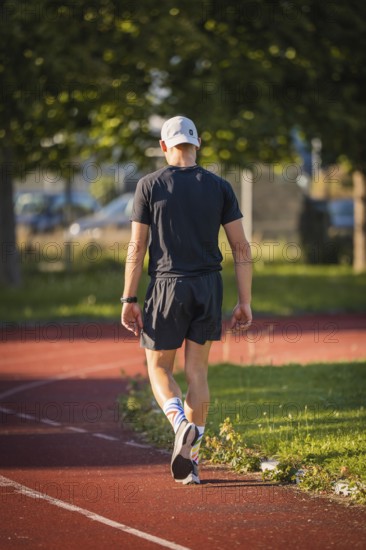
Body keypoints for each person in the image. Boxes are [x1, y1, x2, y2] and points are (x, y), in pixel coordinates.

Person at [121, 115, 252, 485]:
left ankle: (181, 426)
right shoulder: (220, 187)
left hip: (166, 287)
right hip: (209, 287)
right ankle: (191, 464)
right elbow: (241, 248)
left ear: (165, 147)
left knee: (159, 368)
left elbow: (137, 247)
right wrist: (245, 301)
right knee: (198, 373)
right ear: (197, 145)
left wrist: (129, 297)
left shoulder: (149, 185)